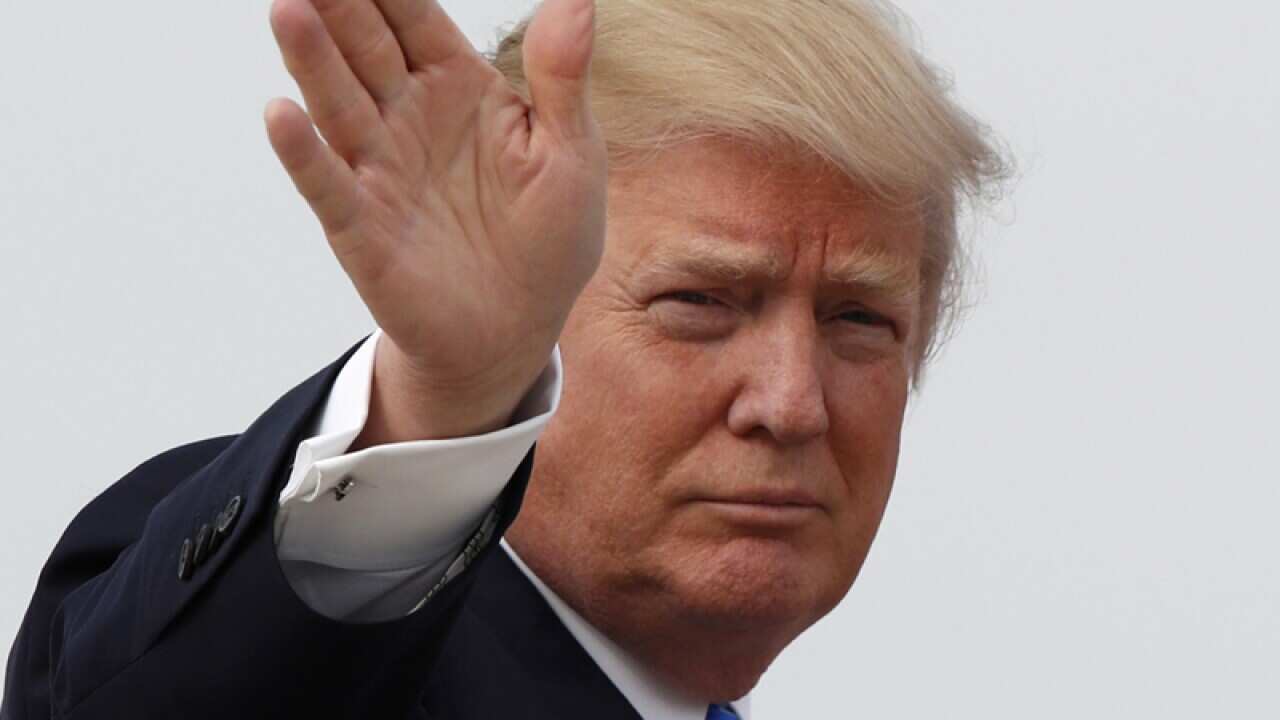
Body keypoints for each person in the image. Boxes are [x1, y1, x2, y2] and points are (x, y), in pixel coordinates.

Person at [2, 0, 1007, 717]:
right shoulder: (337, 650)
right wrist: (440, 405)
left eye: (856, 320)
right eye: (698, 303)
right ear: (529, 311)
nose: (791, 403)